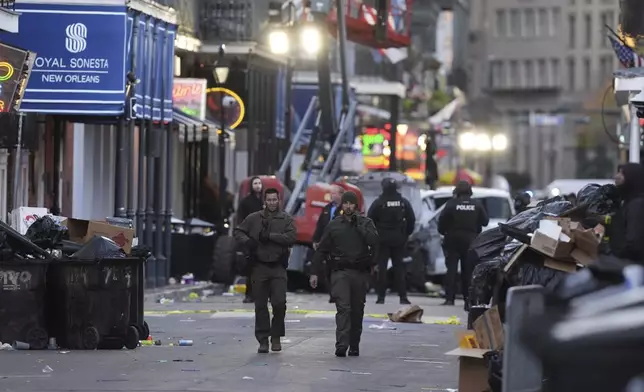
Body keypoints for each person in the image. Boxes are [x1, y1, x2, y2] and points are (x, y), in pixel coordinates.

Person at [309, 191, 379, 357]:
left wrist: (359, 225)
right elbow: (322, 250)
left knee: (357, 310)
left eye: (351, 203)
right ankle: (341, 344)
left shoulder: (366, 222)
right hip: (340, 272)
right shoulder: (334, 225)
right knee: (343, 308)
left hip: (360, 273)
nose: (348, 206)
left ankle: (354, 344)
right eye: (345, 203)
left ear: (356, 206)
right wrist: (314, 273)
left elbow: (374, 241)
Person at [234, 188, 297, 354]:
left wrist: (271, 236)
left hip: (278, 267)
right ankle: (263, 340)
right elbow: (238, 231)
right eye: (269, 200)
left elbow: (291, 237)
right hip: (259, 266)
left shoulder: (285, 219)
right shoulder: (254, 218)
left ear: (279, 200)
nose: (272, 203)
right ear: (265, 201)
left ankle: (275, 336)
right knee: (260, 305)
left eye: (274, 200)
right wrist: (248, 242)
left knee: (279, 303)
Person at [438, 181, 489, 307]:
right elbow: (485, 222)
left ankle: (449, 299)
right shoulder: (477, 204)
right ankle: (468, 300)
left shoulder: (451, 204)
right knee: (468, 271)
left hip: (452, 240)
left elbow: (441, 222)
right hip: (470, 240)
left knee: (451, 270)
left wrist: (445, 232)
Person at [368, 177, 415, 305]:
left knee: (382, 268)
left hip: (382, 240)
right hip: (398, 240)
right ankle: (403, 297)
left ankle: (381, 297)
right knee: (399, 268)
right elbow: (411, 219)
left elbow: (369, 220)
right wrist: (405, 234)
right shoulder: (403, 202)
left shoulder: (379, 202)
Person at [312, 184, 344, 303]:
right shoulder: (327, 208)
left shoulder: (346, 209)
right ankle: (332, 294)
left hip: (340, 244)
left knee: (338, 270)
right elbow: (320, 225)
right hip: (327, 242)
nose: (332, 195)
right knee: (328, 269)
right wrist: (315, 239)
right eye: (331, 193)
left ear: (341, 195)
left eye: (334, 193)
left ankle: (337, 294)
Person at [236, 176, 265, 303]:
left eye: (259, 183)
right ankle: (250, 295)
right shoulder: (246, 202)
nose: (258, 185)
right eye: (255, 183)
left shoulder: (266, 201)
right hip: (251, 239)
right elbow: (241, 220)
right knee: (251, 267)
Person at [609, 163, 644, 263]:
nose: (617, 176)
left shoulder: (637, 205)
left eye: (622, 173)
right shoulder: (628, 201)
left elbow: (634, 242)